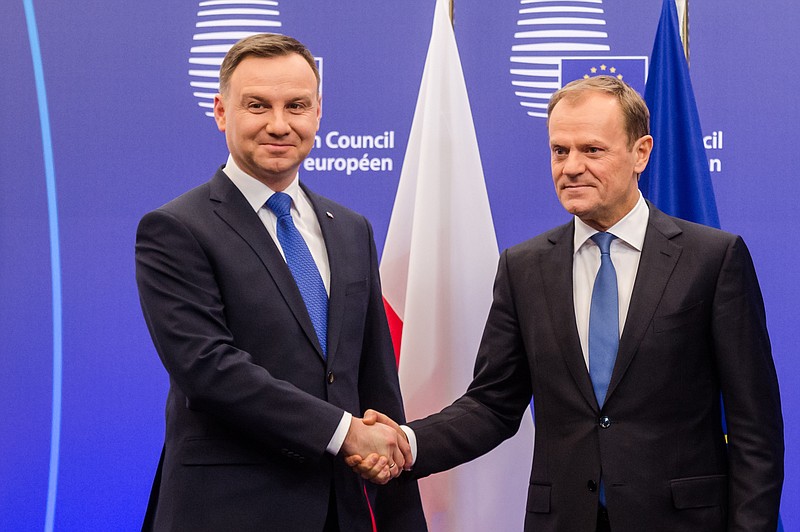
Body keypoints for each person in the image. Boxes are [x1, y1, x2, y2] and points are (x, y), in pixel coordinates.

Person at [348, 76, 783, 531]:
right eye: (560, 150)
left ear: (641, 152)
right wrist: (408, 442)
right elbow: (492, 404)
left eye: (591, 150)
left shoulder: (712, 259)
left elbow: (755, 427)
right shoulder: (524, 266)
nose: (571, 166)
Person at [136, 33, 426, 532]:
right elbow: (208, 369)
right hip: (227, 512)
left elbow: (374, 376)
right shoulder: (175, 229)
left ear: (318, 114)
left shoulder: (350, 228)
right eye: (257, 105)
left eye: (296, 105)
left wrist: (392, 476)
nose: (279, 124)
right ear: (222, 112)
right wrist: (345, 434)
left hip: (343, 510)